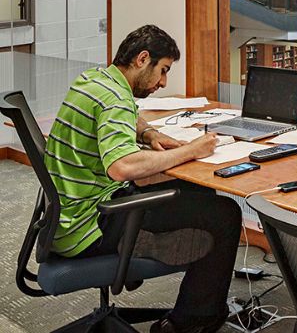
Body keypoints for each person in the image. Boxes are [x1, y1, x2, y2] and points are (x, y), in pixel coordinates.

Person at [44, 24, 242, 333]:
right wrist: (190, 150)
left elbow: (126, 115)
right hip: (92, 224)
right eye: (162, 71)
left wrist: (149, 133)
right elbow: (122, 166)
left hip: (68, 216)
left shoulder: (96, 80)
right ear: (142, 59)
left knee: (194, 192)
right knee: (226, 214)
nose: (163, 82)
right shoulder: (115, 100)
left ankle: (158, 264)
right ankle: (188, 324)